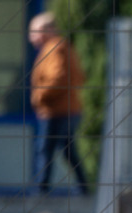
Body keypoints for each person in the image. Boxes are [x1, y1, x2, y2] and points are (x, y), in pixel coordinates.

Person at [28, 11, 88, 195]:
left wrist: (39, 98)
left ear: (48, 30)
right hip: (64, 110)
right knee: (68, 151)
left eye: (35, 32)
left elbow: (59, 79)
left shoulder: (55, 49)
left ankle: (41, 191)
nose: (32, 37)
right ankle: (83, 188)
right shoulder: (57, 48)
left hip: (58, 111)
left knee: (45, 150)